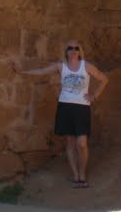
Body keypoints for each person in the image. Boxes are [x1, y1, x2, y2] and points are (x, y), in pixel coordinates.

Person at [12, 39, 108, 188]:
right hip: (65, 106)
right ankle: (76, 176)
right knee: (70, 142)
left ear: (80, 51)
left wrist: (94, 96)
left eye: (76, 48)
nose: (73, 50)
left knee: (81, 144)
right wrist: (22, 71)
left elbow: (104, 79)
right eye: (70, 48)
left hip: (82, 108)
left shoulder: (86, 66)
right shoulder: (61, 66)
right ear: (66, 51)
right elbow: (41, 72)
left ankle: (82, 174)